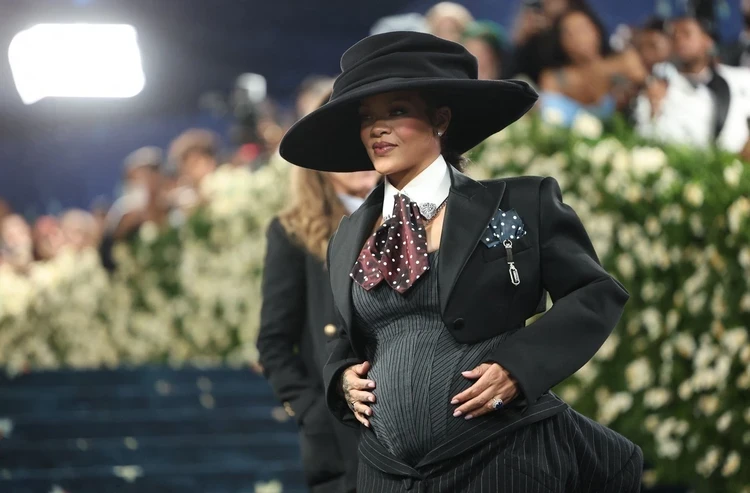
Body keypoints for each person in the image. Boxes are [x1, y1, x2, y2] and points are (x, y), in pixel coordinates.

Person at [279, 31, 642, 492]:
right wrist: (341, 381)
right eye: (367, 117)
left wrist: (520, 367)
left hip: (502, 455)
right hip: (387, 474)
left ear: (441, 119)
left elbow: (595, 293)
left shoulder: (520, 202)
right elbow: (350, 340)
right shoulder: (348, 236)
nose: (377, 128)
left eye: (396, 110)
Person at [257, 89, 379, 492]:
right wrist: (313, 410)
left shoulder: (422, 215)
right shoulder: (291, 232)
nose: (358, 154)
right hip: (342, 440)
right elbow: (274, 342)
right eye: (343, 142)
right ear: (319, 154)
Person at [634, 15, 750, 156]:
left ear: (707, 41)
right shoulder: (657, 91)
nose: (679, 39)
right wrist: (653, 112)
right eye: (674, 36)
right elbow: (644, 142)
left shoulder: (741, 79)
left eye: (686, 33)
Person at [538, 6, 647, 125]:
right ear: (561, 42)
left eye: (581, 29)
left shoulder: (625, 61)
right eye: (568, 33)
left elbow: (647, 88)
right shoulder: (554, 78)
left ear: (596, 30)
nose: (577, 38)